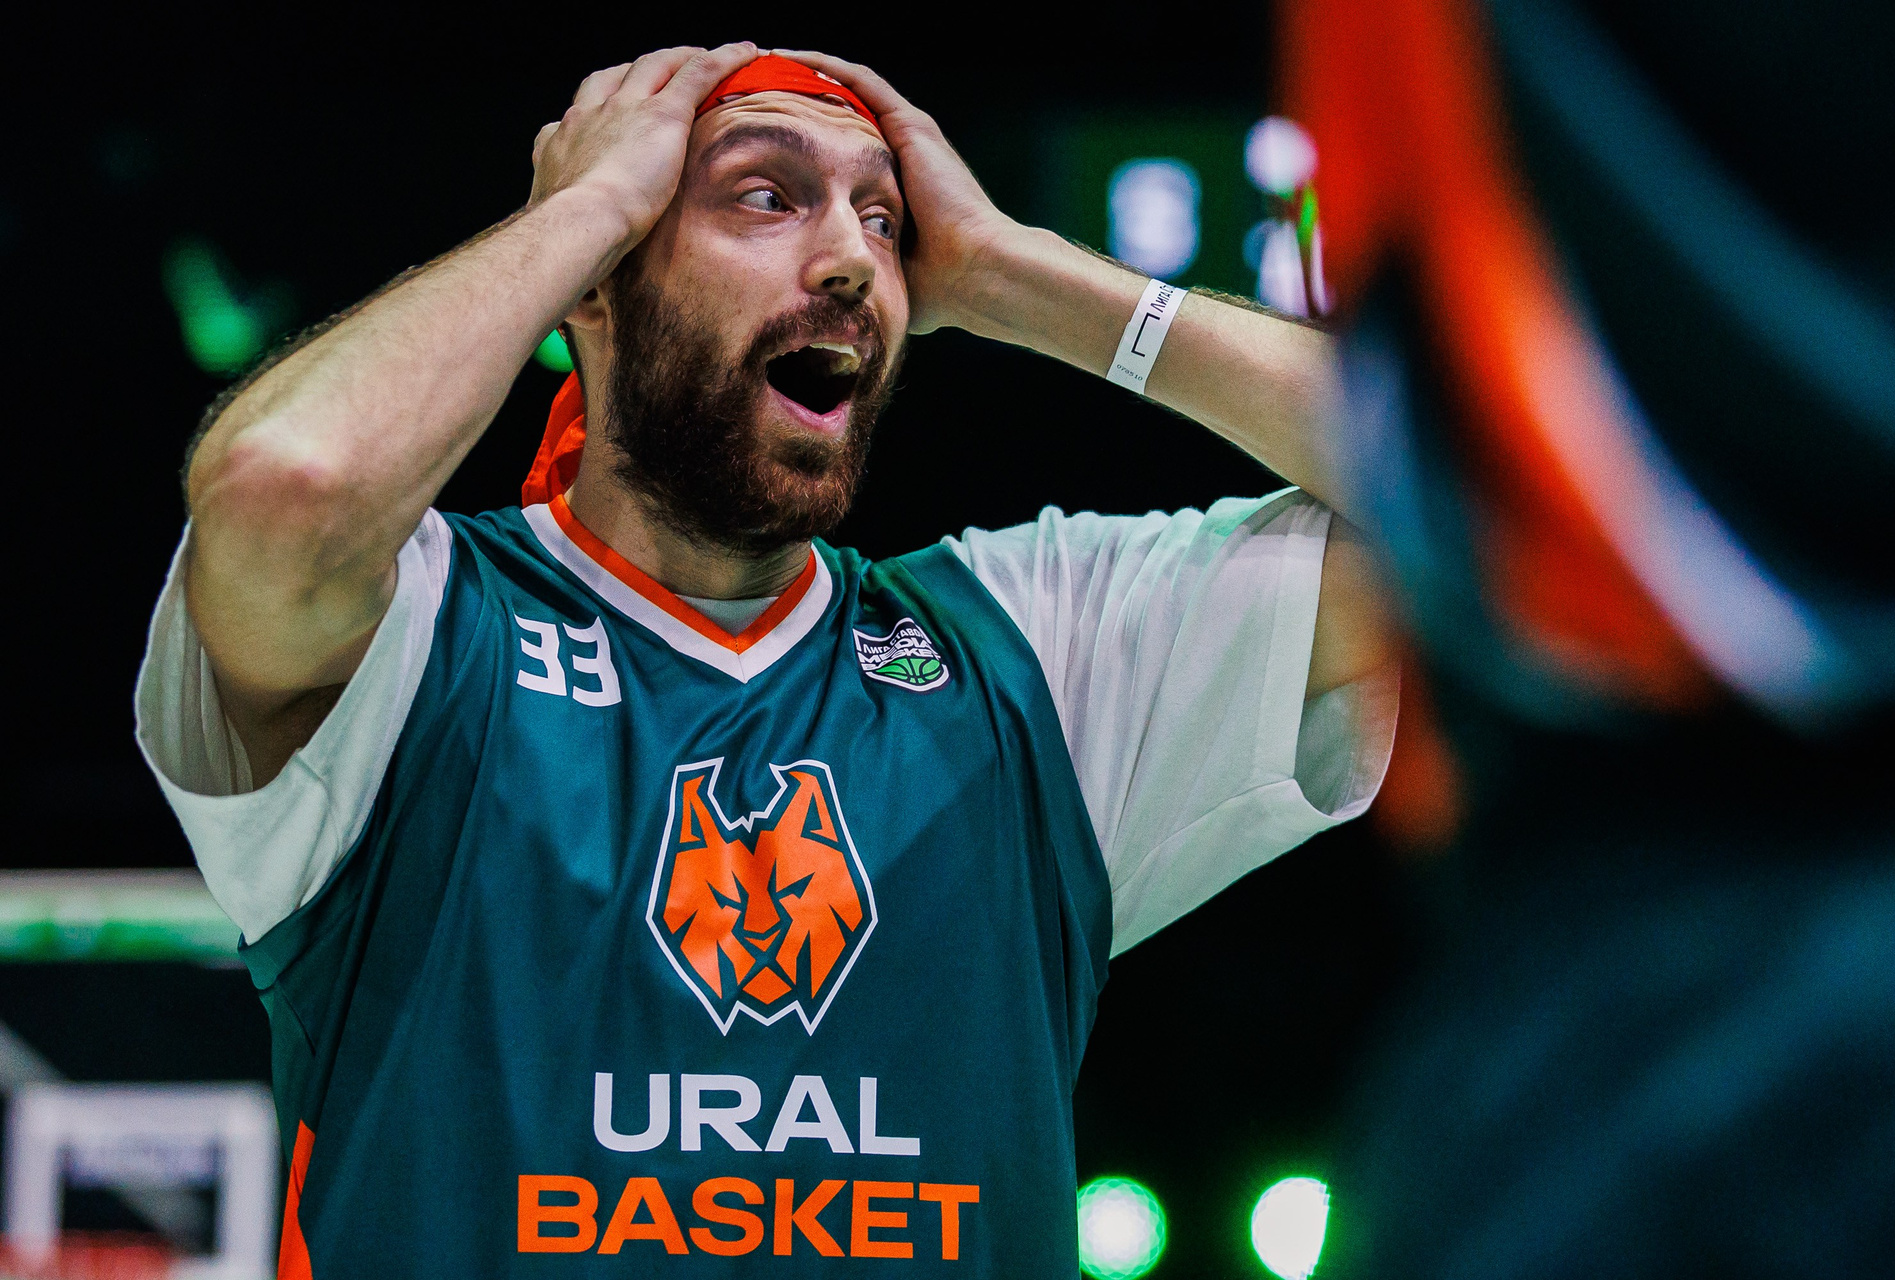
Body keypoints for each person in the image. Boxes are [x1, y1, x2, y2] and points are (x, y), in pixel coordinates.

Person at [135, 44, 1397, 1277]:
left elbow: (1472, 508)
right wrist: (582, 213)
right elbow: (284, 485)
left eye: (884, 220)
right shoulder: (416, 637)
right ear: (598, 281)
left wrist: (1018, 274)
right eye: (764, 195)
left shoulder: (1031, 653)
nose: (850, 255)